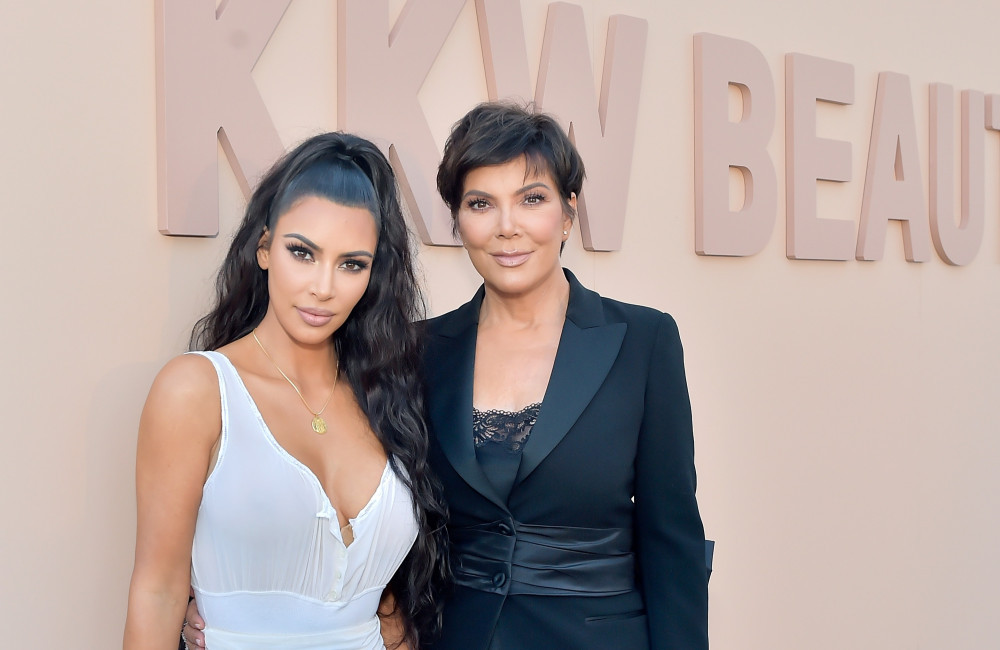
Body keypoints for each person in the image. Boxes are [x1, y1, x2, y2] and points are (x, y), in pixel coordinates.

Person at [183, 102, 708, 649]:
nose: (508, 227)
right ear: (457, 221)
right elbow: (365, 508)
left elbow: (673, 541)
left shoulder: (642, 341)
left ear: (569, 212)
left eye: (532, 199)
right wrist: (230, 610)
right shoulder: (410, 352)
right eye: (481, 204)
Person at [124, 132, 448, 650]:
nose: (323, 287)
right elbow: (158, 592)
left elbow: (389, 599)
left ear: (373, 275)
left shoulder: (391, 396)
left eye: (351, 264)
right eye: (303, 252)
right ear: (264, 249)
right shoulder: (198, 391)